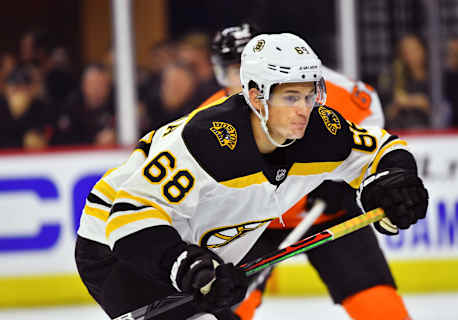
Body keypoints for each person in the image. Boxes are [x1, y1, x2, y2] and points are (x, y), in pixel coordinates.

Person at [74, 32, 428, 320]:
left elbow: (382, 147)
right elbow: (129, 214)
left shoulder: (319, 129)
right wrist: (187, 267)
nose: (304, 110)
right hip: (119, 248)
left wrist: (394, 181)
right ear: (257, 97)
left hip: (198, 247)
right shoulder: (207, 139)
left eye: (309, 95)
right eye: (291, 97)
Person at [206, 24, 411, 320]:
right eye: (229, 71)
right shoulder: (210, 118)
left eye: (243, 69)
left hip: (329, 214)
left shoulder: (317, 86)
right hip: (253, 225)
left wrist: (343, 179)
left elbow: (369, 122)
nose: (238, 83)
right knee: (225, 308)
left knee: (381, 308)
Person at [377, 34, 431, 130]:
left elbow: (439, 110)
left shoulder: (434, 78)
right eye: (406, 51)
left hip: (431, 132)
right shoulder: (394, 76)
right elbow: (386, 113)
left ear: (424, 50)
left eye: (415, 49)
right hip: (400, 132)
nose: (410, 54)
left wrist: (413, 101)